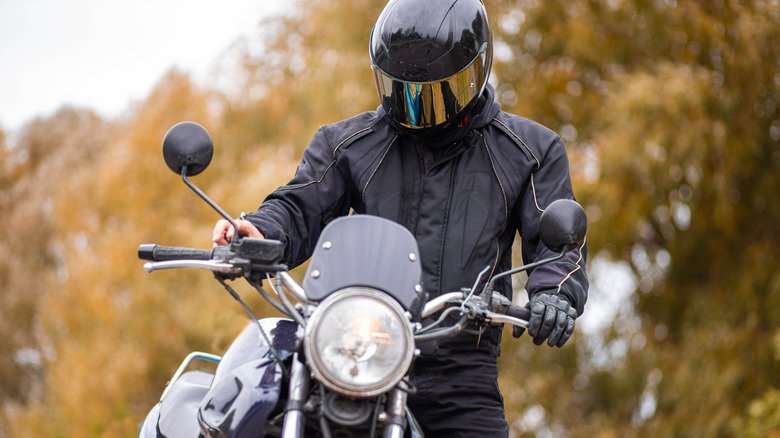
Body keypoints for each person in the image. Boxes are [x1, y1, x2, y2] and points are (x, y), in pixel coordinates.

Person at [213, 0, 588, 436]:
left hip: (459, 372)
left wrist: (555, 293)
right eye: (402, 90)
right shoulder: (348, 144)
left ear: (474, 71)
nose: (414, 108)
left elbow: (557, 243)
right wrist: (258, 230)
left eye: (431, 94)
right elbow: (300, 205)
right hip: (356, 351)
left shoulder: (529, 151)